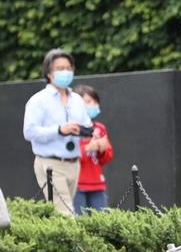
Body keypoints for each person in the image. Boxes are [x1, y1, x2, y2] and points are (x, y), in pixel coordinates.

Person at [22, 48, 92, 216]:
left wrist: (81, 130)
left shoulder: (76, 99)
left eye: (68, 68)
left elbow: (88, 127)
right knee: (66, 214)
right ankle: (77, 243)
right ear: (49, 73)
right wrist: (59, 130)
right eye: (60, 69)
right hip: (50, 164)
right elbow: (29, 132)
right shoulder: (38, 100)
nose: (65, 72)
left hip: (74, 163)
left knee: (60, 214)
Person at [73, 85, 113, 214]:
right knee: (80, 222)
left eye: (95, 101)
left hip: (97, 183)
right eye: (88, 102)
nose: (93, 105)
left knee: (102, 222)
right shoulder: (71, 128)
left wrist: (102, 149)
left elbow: (107, 157)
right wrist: (88, 147)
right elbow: (68, 156)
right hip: (77, 184)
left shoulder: (100, 128)